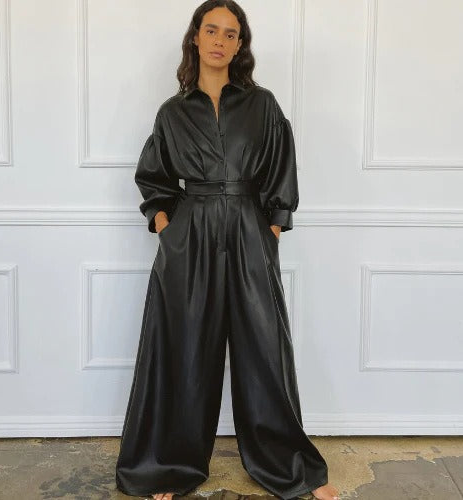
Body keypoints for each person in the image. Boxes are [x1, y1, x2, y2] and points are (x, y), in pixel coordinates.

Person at [115, 1, 340, 499]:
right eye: (211, 30)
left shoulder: (262, 105)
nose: (220, 40)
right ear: (195, 37)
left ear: (240, 45)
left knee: (264, 350)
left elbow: (281, 169)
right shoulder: (172, 113)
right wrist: (167, 227)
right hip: (189, 237)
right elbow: (153, 177)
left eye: (230, 34)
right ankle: (170, 468)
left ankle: (289, 467)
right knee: (184, 350)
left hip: (248, 231)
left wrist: (271, 230)